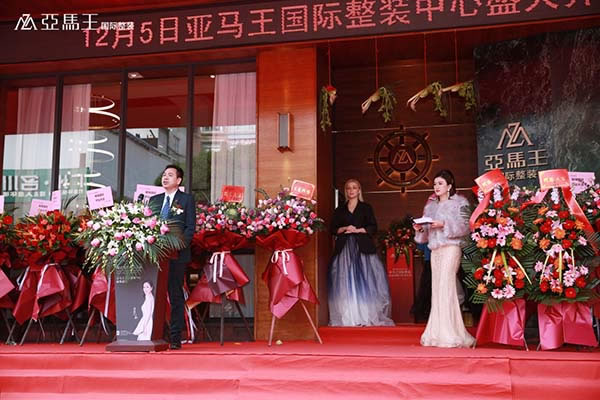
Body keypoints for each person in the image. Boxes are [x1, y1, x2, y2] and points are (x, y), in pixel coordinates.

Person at [413, 169, 475, 348]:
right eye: (435, 184)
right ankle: (436, 333)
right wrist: (420, 229)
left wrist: (444, 224)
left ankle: (451, 333)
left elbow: (465, 227)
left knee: (447, 287)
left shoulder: (460, 203)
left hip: (451, 248)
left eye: (440, 183)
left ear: (449, 185)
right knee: (437, 290)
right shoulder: (430, 206)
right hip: (435, 251)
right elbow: (425, 236)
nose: (436, 187)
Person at [328, 178, 394, 327]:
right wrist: (345, 228)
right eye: (348, 188)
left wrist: (358, 230)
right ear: (346, 191)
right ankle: (349, 317)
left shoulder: (366, 207)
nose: (351, 190)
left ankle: (365, 315)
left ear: (359, 190)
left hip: (363, 249)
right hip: (344, 249)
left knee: (366, 282)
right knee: (345, 282)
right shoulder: (340, 210)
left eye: (354, 188)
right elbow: (333, 229)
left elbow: (373, 227)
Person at [149, 165, 196, 350]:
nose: (165, 177)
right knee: (153, 295)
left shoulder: (186, 199)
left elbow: (190, 227)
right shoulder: (154, 200)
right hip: (155, 255)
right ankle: (153, 334)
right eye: (164, 174)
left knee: (175, 295)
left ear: (178, 180)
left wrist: (178, 245)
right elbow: (147, 224)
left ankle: (175, 337)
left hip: (176, 255)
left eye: (170, 175)